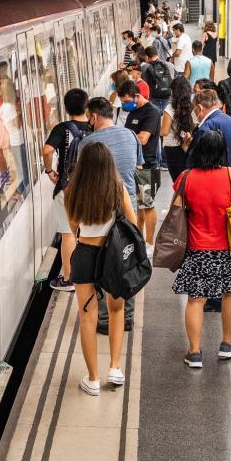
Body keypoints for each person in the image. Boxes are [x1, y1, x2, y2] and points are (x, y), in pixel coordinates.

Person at [172, 130, 231, 368]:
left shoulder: (186, 177)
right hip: (228, 248)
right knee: (230, 292)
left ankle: (194, 353)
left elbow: (176, 209)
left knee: (196, 299)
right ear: (223, 151)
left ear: (198, 150)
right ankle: (227, 344)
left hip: (197, 248)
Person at [65, 136, 139, 395]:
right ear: (109, 164)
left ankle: (93, 379)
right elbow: (133, 222)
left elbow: (74, 226)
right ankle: (115, 368)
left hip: (84, 255)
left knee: (87, 317)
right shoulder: (118, 189)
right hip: (113, 256)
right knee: (116, 310)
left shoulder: (72, 191)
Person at [81, 97, 142, 337]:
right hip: (128, 207)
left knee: (102, 263)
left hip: (99, 210)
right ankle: (126, 317)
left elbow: (81, 179)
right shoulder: (130, 135)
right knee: (126, 261)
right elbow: (137, 167)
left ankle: (105, 319)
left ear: (93, 117)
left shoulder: (88, 143)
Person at [43, 89, 92, 292]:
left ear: (65, 108)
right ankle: (90, 274)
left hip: (67, 187)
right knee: (88, 232)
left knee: (68, 233)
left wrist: (49, 170)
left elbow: (47, 150)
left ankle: (69, 279)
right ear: (86, 106)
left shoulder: (62, 128)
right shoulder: (93, 126)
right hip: (90, 187)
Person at [119, 80, 160, 249]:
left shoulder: (152, 112)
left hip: (148, 165)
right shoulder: (133, 112)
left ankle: (150, 243)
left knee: (147, 205)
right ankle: (140, 239)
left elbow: (143, 139)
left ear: (137, 96)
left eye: (127, 101)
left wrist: (123, 137)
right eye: (123, 102)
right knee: (138, 206)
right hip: (134, 165)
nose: (125, 105)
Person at [188, 88, 231, 173]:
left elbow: (196, 163)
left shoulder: (206, 127)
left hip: (216, 183)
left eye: (194, 110)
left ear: (199, 108)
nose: (194, 113)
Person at [160, 77, 195, 182]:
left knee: (178, 182)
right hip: (187, 144)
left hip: (172, 148)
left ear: (173, 91)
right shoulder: (191, 106)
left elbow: (164, 131)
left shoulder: (169, 108)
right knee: (188, 179)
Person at [141, 46, 175, 115]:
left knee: (156, 120)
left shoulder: (144, 67)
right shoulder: (169, 65)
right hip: (167, 98)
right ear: (158, 54)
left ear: (147, 57)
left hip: (154, 98)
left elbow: (145, 84)